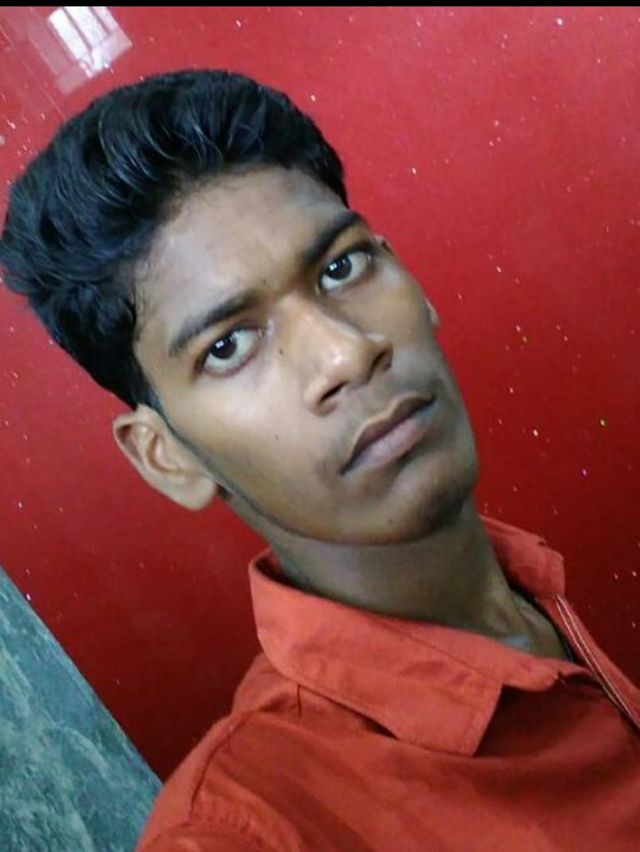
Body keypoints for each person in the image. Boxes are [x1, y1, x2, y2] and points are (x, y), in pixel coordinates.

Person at [1, 69, 638, 851]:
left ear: (411, 281)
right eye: (228, 346)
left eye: (341, 268)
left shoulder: (518, 588)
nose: (347, 352)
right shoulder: (248, 830)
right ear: (167, 459)